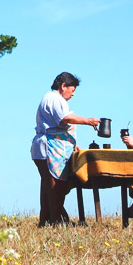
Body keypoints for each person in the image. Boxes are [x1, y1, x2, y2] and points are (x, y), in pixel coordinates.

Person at [31, 72, 100, 226]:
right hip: (50, 147)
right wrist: (88, 121)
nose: (73, 94)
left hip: (52, 146)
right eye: (72, 90)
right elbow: (64, 118)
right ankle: (56, 220)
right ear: (63, 86)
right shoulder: (54, 98)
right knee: (54, 186)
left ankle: (47, 220)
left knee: (49, 185)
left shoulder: (53, 99)